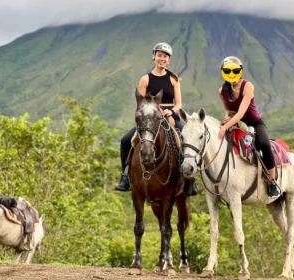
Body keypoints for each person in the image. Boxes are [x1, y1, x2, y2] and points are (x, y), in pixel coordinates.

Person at [115, 42, 197, 196]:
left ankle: (189, 180)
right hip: (151, 117)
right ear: (154, 56)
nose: (162, 58)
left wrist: (169, 111)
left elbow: (179, 104)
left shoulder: (174, 79)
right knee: (126, 140)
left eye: (165, 56)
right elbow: (140, 104)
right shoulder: (145, 79)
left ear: (169, 60)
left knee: (184, 138)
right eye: (159, 55)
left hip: (170, 116)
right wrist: (154, 109)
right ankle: (125, 177)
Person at [217, 56, 280, 197]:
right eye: (227, 70)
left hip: (254, 123)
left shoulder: (248, 86)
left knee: (264, 144)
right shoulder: (222, 91)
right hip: (236, 122)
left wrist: (225, 126)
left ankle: (272, 181)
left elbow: (241, 113)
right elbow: (229, 110)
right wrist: (226, 117)